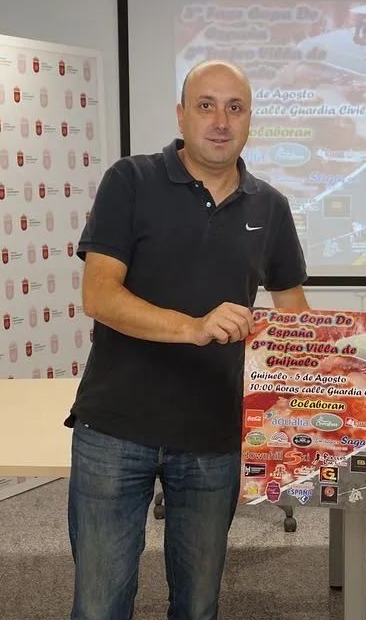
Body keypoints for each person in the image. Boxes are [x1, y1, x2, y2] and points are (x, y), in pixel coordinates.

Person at [64, 59, 309, 620]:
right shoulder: (131, 180)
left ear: (250, 119)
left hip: (212, 435)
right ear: (181, 115)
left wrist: (347, 369)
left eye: (235, 108)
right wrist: (194, 327)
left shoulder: (271, 206)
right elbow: (99, 295)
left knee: (199, 605)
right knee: (100, 605)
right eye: (206, 106)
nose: (221, 121)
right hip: (115, 427)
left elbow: (295, 314)